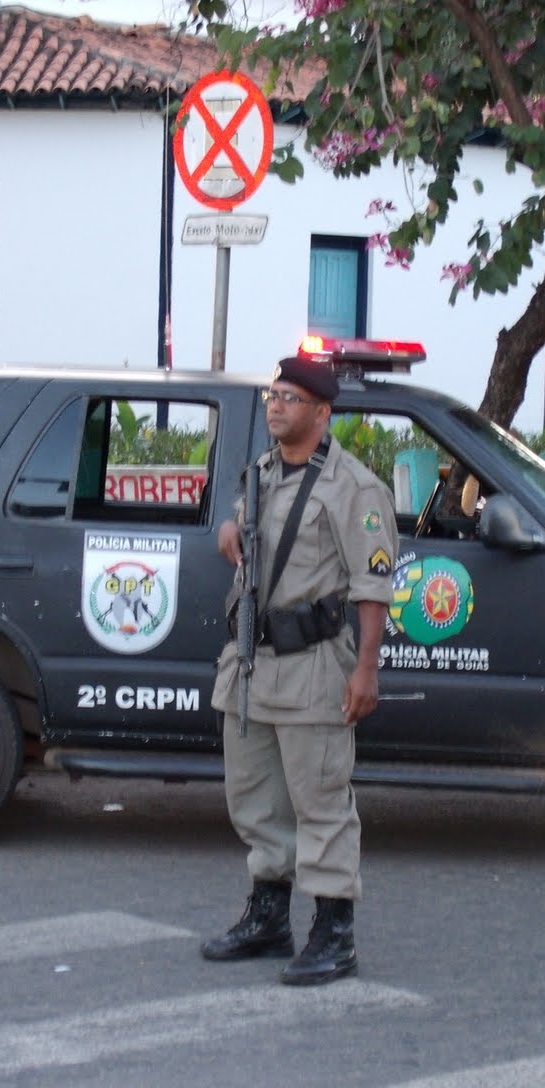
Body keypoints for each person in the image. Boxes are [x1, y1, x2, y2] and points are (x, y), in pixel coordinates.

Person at [204, 354, 398, 987]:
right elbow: (248, 529)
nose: (275, 406)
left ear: (321, 411)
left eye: (290, 398)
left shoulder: (354, 488)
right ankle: (268, 917)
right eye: (272, 395)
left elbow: (373, 588)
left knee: (320, 803)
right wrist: (231, 527)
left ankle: (333, 933)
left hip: (314, 664)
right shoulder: (262, 472)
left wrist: (365, 670)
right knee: (254, 797)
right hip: (251, 661)